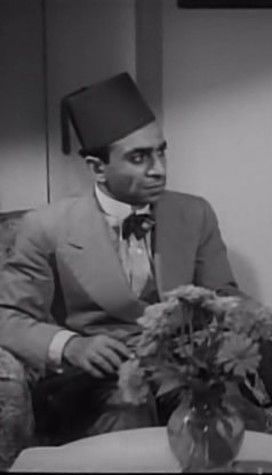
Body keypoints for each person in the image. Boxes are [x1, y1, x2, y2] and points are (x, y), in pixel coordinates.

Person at [0, 72, 238, 442]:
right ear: (98, 168)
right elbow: (8, 317)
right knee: (126, 423)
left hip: (184, 371)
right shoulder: (45, 226)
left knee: (230, 421)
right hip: (94, 381)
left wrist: (253, 325)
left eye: (161, 152)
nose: (159, 169)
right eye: (139, 158)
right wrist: (71, 345)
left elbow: (223, 295)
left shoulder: (195, 213)